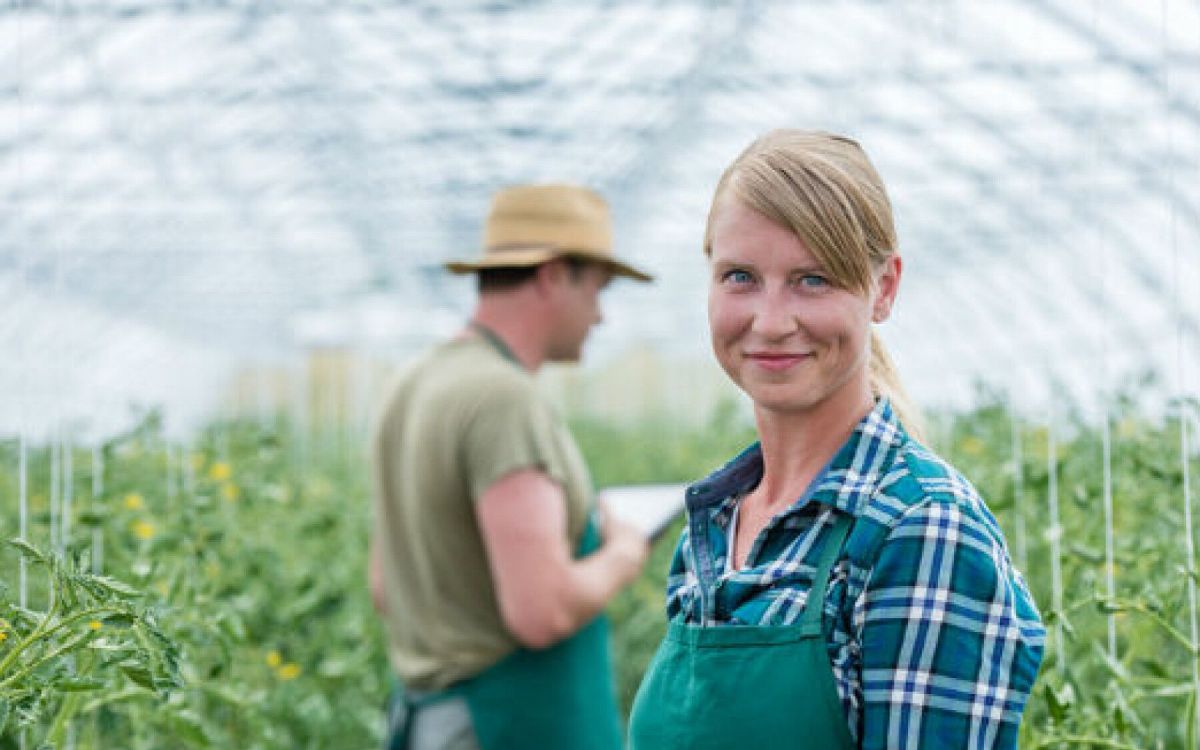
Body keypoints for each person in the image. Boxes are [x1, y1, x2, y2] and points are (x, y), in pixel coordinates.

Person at [628, 130, 1045, 749]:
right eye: (740, 276)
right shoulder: (714, 525)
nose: (771, 321)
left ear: (884, 288)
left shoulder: (919, 528)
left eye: (813, 279)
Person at [369, 183, 652, 750]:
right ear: (552, 275)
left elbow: (385, 586)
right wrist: (624, 553)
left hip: (430, 721)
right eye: (596, 289)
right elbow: (540, 612)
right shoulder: (503, 399)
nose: (599, 315)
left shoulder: (412, 383)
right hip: (500, 726)